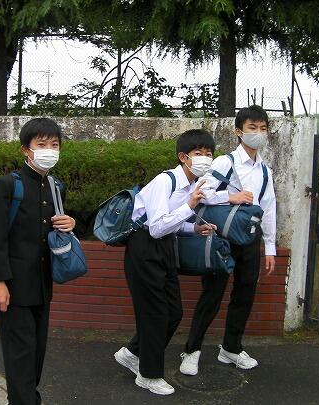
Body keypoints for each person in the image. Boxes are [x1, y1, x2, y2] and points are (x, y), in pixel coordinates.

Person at [114, 129, 217, 395]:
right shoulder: (165, 181)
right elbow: (156, 227)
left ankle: (132, 353)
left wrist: (194, 228)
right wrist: (190, 206)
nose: (205, 158)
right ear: (183, 157)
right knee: (155, 314)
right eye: (198, 153)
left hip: (165, 248)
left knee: (173, 312)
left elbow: (171, 225)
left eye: (208, 154)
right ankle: (148, 375)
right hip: (144, 247)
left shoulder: (193, 184)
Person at [0, 118, 76, 405]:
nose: (49, 150)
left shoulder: (56, 186)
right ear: (26, 149)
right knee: (20, 354)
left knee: (36, 353)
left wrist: (71, 223)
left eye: (55, 145)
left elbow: (54, 230)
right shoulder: (7, 185)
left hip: (43, 285)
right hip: (13, 286)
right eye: (42, 144)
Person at [179, 105, 277, 375]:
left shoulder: (265, 170)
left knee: (245, 294)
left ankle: (231, 348)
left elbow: (268, 207)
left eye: (263, 128)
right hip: (221, 237)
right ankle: (191, 350)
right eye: (252, 128)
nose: (258, 133)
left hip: (250, 239)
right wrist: (230, 197)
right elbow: (201, 192)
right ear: (238, 131)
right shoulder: (225, 162)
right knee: (212, 293)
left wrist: (269, 247)